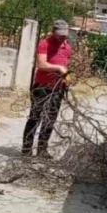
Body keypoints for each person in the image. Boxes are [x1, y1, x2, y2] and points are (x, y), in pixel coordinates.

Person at [22, 20, 72, 159]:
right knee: (35, 117)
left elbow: (65, 66)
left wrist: (66, 78)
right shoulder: (45, 43)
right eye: (59, 35)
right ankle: (26, 150)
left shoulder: (67, 48)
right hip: (41, 87)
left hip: (57, 88)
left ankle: (42, 149)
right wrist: (58, 68)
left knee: (50, 119)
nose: (62, 37)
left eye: (64, 35)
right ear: (53, 32)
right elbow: (41, 64)